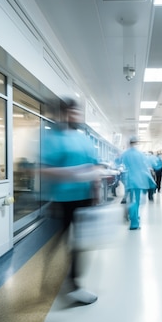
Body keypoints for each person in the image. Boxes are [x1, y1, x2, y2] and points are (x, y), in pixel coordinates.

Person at [40, 99, 105, 305]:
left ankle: (74, 284)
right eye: (72, 113)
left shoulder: (84, 139)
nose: (76, 117)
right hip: (62, 200)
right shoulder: (52, 138)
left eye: (78, 113)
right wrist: (71, 174)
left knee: (81, 241)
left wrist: (96, 189)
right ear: (62, 114)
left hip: (84, 198)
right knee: (61, 239)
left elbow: (95, 166)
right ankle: (50, 274)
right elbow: (42, 169)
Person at [120, 136, 156, 230]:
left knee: (132, 200)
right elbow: (145, 168)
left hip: (129, 180)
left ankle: (134, 216)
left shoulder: (125, 154)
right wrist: (151, 180)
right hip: (139, 180)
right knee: (137, 201)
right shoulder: (140, 154)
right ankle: (134, 223)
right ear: (136, 143)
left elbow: (120, 164)